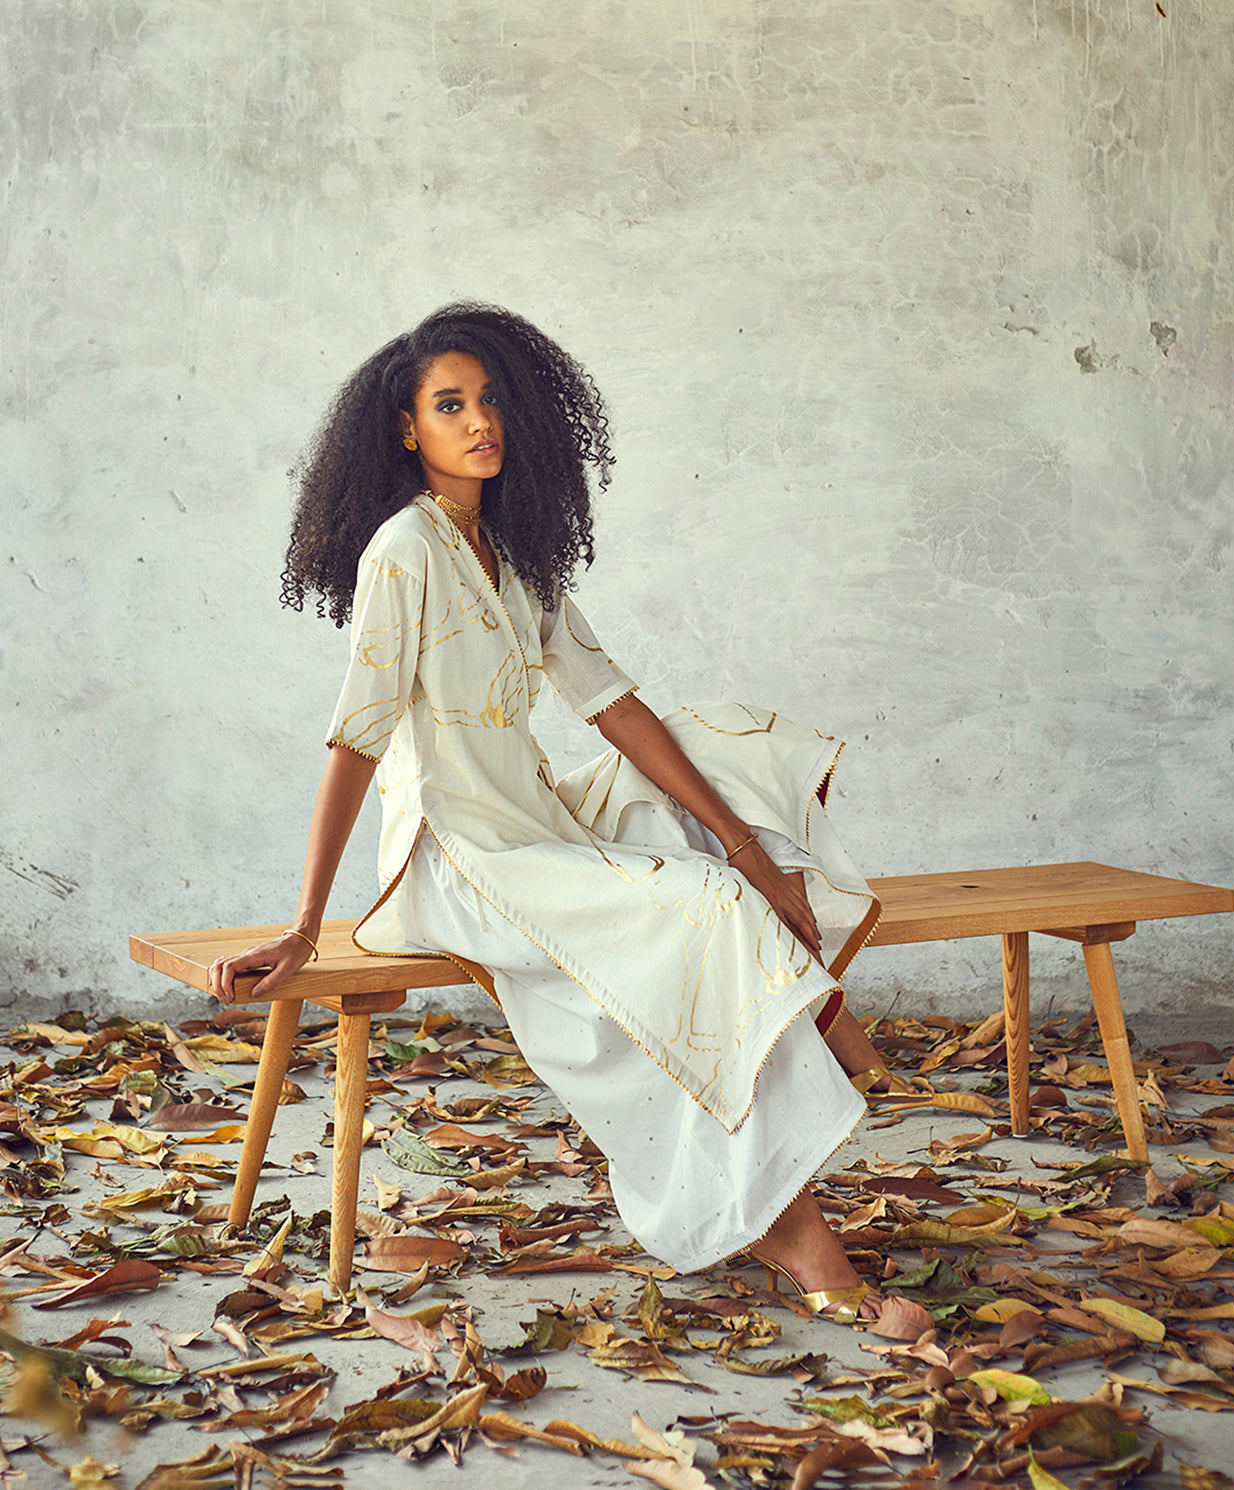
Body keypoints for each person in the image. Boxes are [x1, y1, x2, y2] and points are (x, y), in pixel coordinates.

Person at [210, 303, 896, 1322]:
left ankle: (812, 1037)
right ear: (407, 428)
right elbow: (356, 740)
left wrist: (750, 849)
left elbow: (610, 702)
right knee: (697, 904)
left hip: (533, 819)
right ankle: (810, 1219)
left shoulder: (509, 549)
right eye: (451, 405)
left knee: (716, 756)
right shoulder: (403, 551)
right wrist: (306, 925)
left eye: (490, 401)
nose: (479, 421)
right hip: (457, 855)